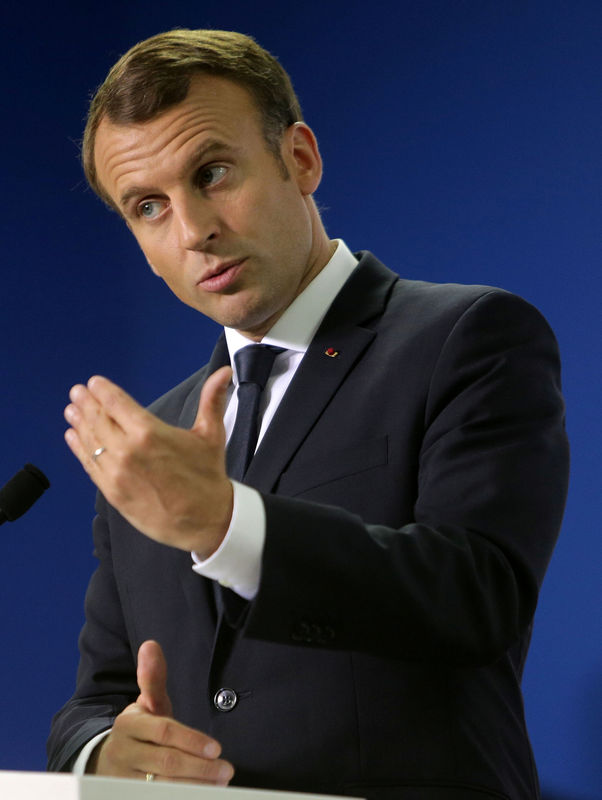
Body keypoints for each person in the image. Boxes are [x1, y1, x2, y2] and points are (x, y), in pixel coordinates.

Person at [47, 29, 569, 800]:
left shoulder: (468, 338)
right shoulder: (154, 442)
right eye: (148, 207)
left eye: (213, 173)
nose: (193, 231)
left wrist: (228, 526)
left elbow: (475, 599)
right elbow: (95, 699)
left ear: (300, 159)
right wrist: (105, 754)